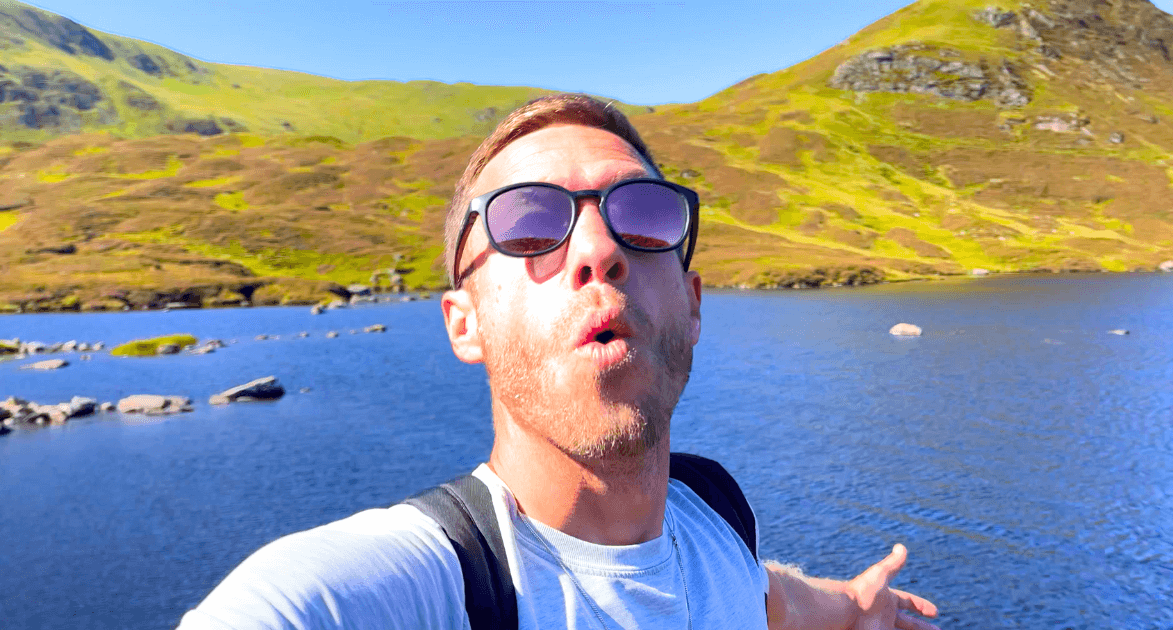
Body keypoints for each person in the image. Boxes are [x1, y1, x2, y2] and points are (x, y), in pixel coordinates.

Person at [178, 94, 940, 630]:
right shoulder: (423, 586)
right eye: (529, 222)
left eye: (642, 215)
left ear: (695, 303)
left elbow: (763, 598)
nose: (599, 250)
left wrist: (853, 605)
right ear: (463, 323)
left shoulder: (716, 517)